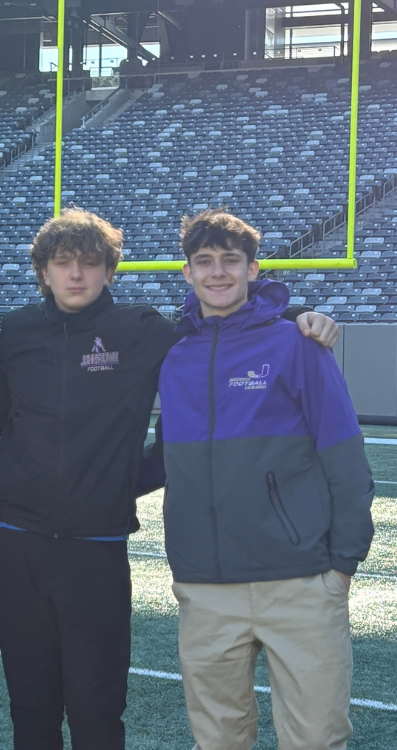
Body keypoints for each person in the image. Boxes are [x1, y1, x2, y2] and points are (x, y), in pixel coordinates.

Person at [0, 208, 340, 750]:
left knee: (96, 707)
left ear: (110, 272)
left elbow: (222, 323)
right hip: (17, 542)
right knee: (29, 708)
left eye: (90, 263)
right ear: (43, 272)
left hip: (96, 544)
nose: (76, 275)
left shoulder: (141, 329)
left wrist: (298, 314)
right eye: (63, 264)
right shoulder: (15, 331)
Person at [154, 209, 374, 750]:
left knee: (315, 739)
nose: (218, 272)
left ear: (254, 269)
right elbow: (166, 457)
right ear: (187, 273)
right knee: (219, 741)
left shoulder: (296, 345)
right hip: (204, 587)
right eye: (204, 261)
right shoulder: (175, 356)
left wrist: (341, 566)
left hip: (298, 582)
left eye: (231, 260)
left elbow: (346, 461)